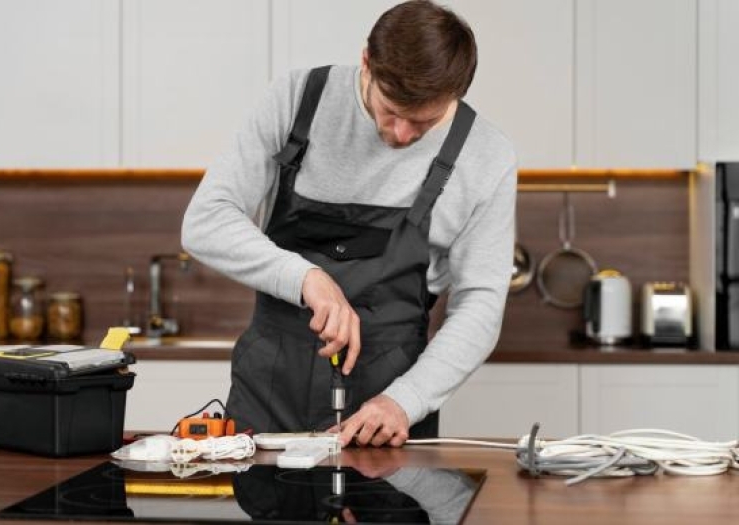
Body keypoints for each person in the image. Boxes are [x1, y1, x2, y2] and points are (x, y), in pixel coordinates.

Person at [182, 0, 517, 447]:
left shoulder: (486, 155)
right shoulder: (297, 100)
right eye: (391, 110)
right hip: (266, 392)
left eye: (424, 122)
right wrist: (307, 278)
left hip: (385, 409)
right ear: (366, 62)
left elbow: (480, 306)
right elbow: (205, 220)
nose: (401, 135)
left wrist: (406, 400)